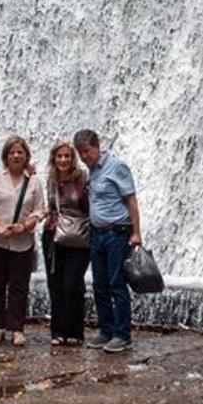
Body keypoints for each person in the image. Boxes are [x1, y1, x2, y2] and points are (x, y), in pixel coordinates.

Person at [74, 129, 141, 354]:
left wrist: (136, 233)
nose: (84, 156)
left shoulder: (117, 167)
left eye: (87, 151)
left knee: (116, 284)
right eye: (81, 153)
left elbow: (131, 200)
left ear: (97, 146)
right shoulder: (90, 172)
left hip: (117, 234)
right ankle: (106, 330)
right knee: (100, 285)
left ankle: (122, 335)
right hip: (97, 234)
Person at [0, 135, 46, 347]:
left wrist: (25, 226)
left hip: (23, 240)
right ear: (6, 156)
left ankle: (17, 329)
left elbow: (40, 210)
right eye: (12, 152)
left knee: (19, 286)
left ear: (27, 155)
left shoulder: (35, 181)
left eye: (20, 152)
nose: (16, 155)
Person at [41, 139, 91, 346]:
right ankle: (58, 332)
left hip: (80, 235)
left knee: (73, 284)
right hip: (53, 235)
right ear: (54, 158)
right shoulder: (51, 179)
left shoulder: (84, 177)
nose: (63, 160)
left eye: (67, 156)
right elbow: (50, 206)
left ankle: (76, 332)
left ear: (73, 158)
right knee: (56, 285)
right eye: (59, 156)